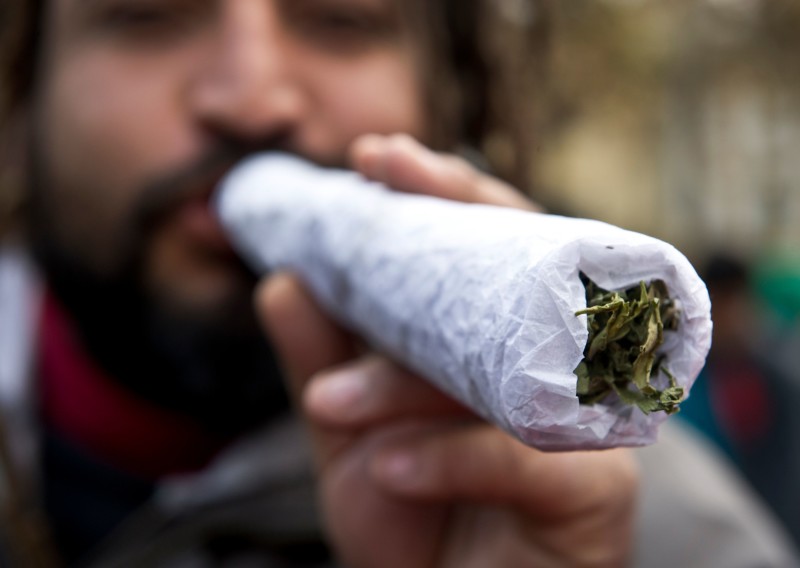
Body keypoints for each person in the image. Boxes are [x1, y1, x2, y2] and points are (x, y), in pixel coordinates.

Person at [0, 1, 796, 567]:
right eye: (147, 14)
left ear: (452, 93)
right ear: (20, 94)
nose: (253, 101)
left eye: (342, 20)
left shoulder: (653, 530)